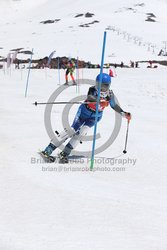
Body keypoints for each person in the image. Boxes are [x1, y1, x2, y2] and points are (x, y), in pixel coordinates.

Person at [42, 73, 131, 163]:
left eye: (105, 86)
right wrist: (100, 101)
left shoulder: (110, 94)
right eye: (100, 85)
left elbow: (114, 105)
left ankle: (65, 153)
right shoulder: (92, 89)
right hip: (83, 113)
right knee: (72, 130)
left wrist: (124, 114)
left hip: (95, 117)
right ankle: (48, 149)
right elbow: (90, 98)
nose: (102, 88)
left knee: (82, 133)